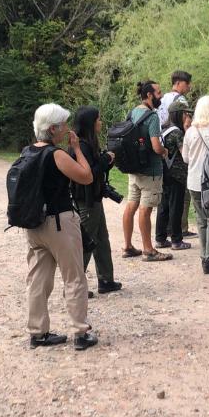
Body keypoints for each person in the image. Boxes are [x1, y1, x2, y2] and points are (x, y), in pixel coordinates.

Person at [25, 103, 98, 351]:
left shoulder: (27, 152)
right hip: (59, 223)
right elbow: (86, 176)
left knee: (38, 278)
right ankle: (80, 332)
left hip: (33, 223)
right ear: (53, 129)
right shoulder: (56, 155)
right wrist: (76, 149)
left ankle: (38, 332)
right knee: (74, 277)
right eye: (63, 125)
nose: (67, 129)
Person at [71, 106, 123, 295]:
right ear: (90, 123)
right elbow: (88, 174)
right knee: (86, 242)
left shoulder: (87, 143)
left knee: (101, 240)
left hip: (94, 199)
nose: (100, 122)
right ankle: (75, 286)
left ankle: (106, 280)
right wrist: (103, 160)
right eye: (98, 119)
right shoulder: (81, 146)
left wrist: (107, 160)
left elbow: (97, 168)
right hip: (86, 201)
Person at [121, 81, 173, 262]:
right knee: (146, 209)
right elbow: (156, 146)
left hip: (134, 169)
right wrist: (165, 151)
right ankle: (149, 250)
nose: (161, 95)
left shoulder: (132, 113)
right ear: (149, 95)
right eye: (158, 92)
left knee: (131, 205)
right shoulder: (152, 117)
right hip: (150, 171)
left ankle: (128, 246)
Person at [181, 94, 209, 274]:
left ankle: (204, 255)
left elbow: (185, 158)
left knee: (201, 219)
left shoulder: (190, 131)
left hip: (193, 180)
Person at [154, 99, 192, 251]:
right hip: (177, 175)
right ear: (180, 114)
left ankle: (160, 238)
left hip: (164, 173)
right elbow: (185, 155)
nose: (188, 117)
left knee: (163, 205)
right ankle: (177, 240)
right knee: (176, 207)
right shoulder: (177, 133)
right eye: (186, 114)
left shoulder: (164, 129)